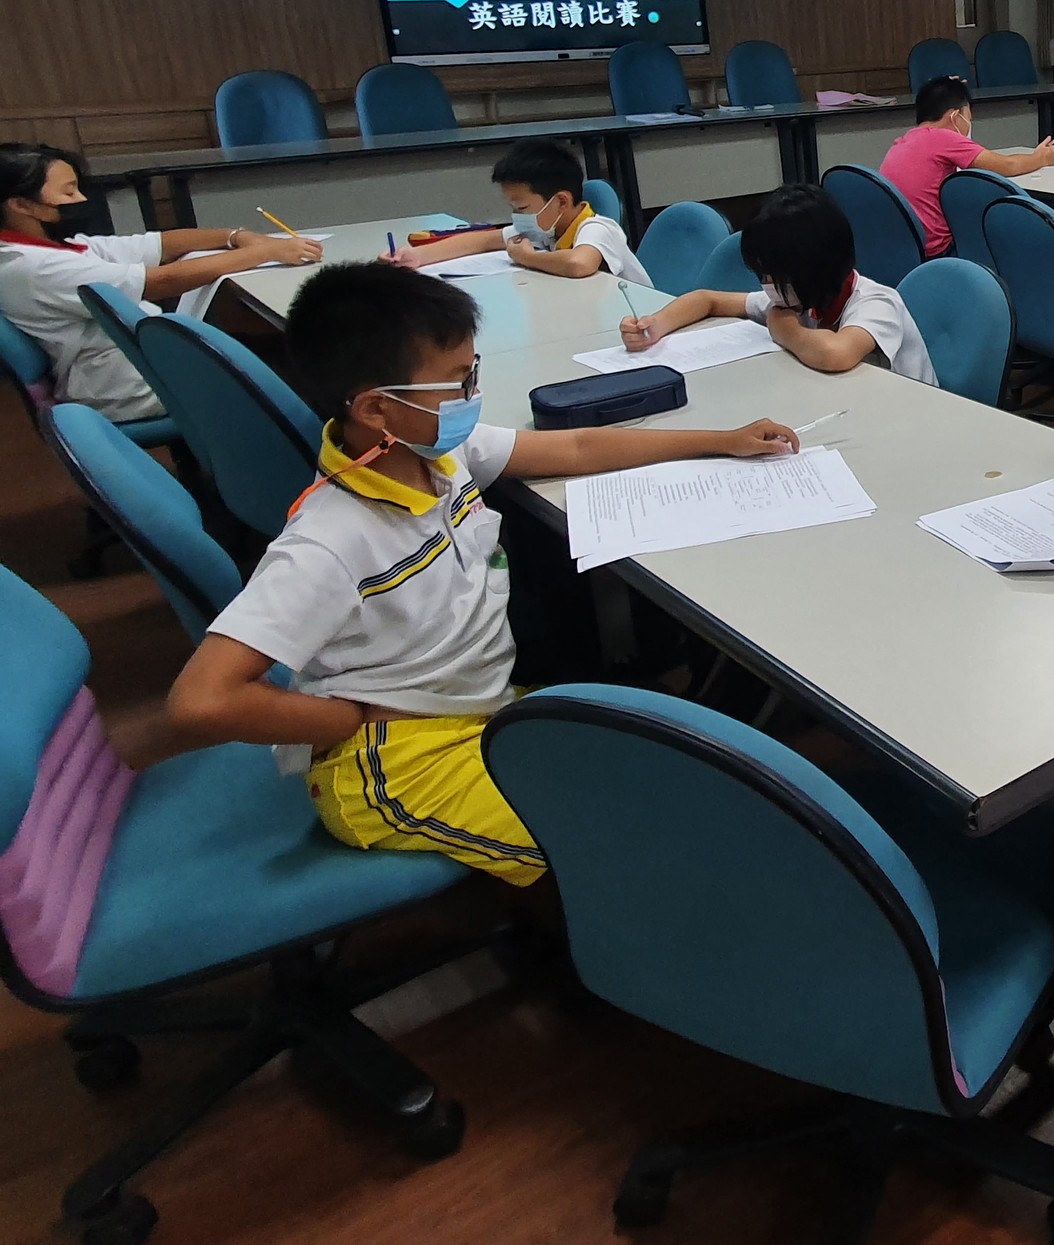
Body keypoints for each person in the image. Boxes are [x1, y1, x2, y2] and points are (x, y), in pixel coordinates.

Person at [164, 263, 799, 882]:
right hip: (403, 762)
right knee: (630, 837)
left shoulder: (438, 455)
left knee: (672, 774)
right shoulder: (329, 541)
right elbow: (201, 701)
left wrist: (719, 439)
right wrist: (341, 722)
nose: (472, 395)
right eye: (456, 381)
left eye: (473, 372)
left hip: (481, 706)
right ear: (378, 409)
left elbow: (576, 446)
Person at [0, 142, 323, 421]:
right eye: (68, 192)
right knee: (303, 364)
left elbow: (159, 243)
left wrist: (235, 236)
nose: (80, 198)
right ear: (21, 205)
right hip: (128, 382)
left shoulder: (49, 248)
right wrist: (266, 252)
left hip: (143, 356)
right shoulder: (32, 267)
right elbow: (161, 281)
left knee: (282, 350)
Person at [622, 182, 937, 384]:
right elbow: (707, 300)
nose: (767, 286)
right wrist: (655, 325)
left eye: (774, 276)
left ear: (813, 268)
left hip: (915, 417)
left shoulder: (877, 303)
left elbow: (835, 354)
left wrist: (783, 329)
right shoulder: (801, 299)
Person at [386, 139, 650, 283]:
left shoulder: (597, 228)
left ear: (561, 201)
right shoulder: (547, 228)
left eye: (522, 208)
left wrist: (526, 257)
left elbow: (578, 264)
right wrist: (417, 256)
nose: (518, 216)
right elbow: (482, 241)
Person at [882, 75, 1054, 256]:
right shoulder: (943, 138)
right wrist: (1041, 158)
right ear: (955, 116)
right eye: (968, 117)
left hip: (903, 248)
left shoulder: (903, 141)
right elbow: (1008, 165)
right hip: (937, 251)